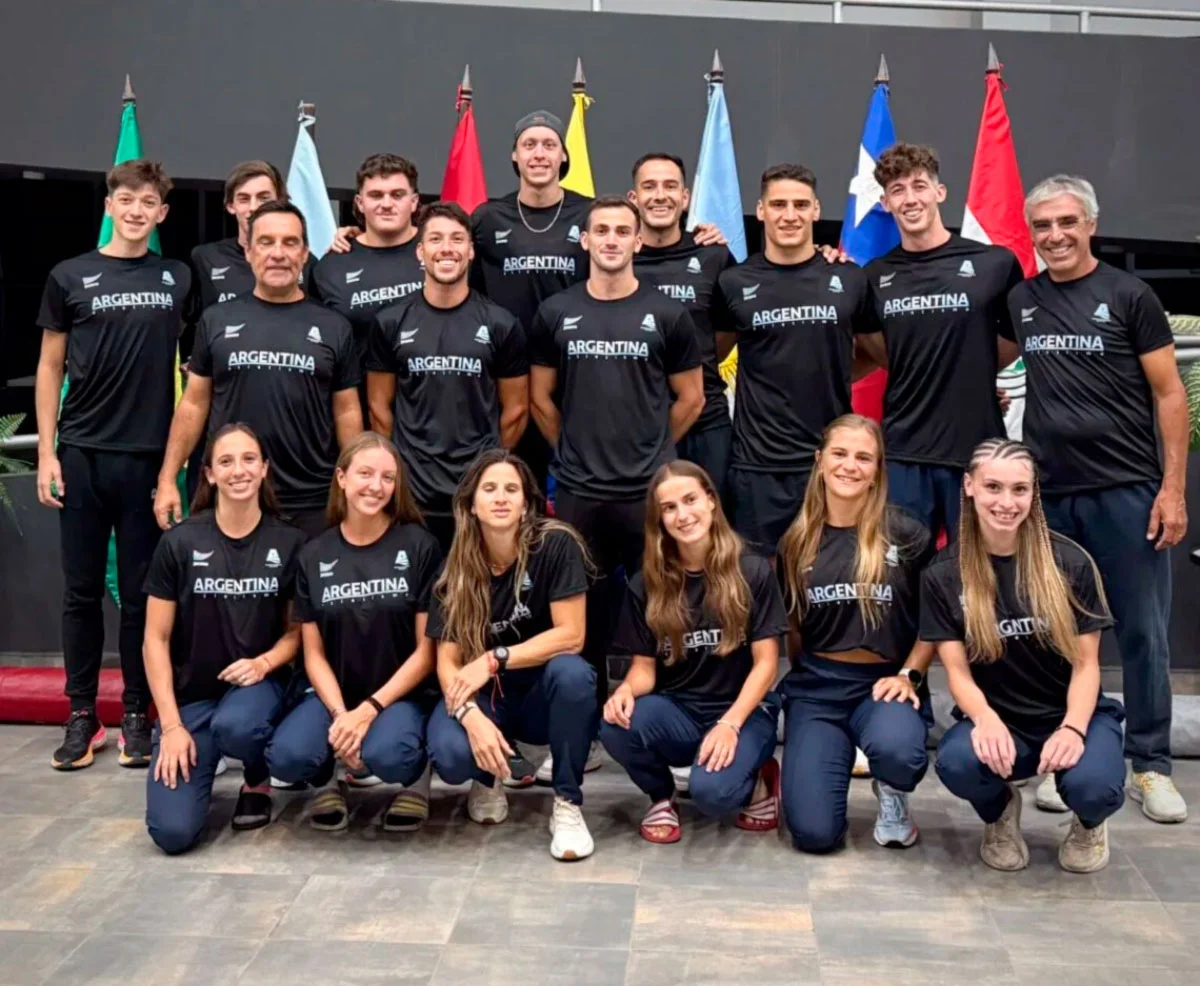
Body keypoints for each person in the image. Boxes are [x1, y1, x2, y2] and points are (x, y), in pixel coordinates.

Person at [1009, 175, 1188, 823]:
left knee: (1141, 633)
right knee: (1058, 636)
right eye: (1043, 226)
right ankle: (1063, 759)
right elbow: (981, 358)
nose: (1054, 235)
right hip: (1051, 498)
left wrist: (1172, 490)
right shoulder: (1022, 300)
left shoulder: (1129, 294)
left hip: (1128, 492)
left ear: (1090, 224)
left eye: (1066, 223)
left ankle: (1150, 766)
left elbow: (1170, 393)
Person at [529, 195, 704, 778]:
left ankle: (668, 722)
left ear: (638, 242)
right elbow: (540, 400)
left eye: (621, 231)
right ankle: (582, 731)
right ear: (584, 241)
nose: (610, 239)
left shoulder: (669, 314)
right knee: (584, 614)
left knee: (665, 601)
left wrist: (653, 456)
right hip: (580, 490)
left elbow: (691, 399)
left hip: (650, 493)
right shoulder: (556, 312)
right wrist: (573, 453)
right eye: (600, 230)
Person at [35, 160, 192, 771]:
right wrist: (48, 450)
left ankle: (135, 712)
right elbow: (50, 367)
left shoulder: (178, 278)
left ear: (161, 214)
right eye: (124, 199)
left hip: (148, 463)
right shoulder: (69, 276)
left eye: (146, 201)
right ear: (109, 205)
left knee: (139, 596)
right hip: (81, 456)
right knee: (79, 593)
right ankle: (81, 715)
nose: (134, 210)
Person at [926, 438, 1126, 873]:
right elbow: (956, 673)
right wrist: (984, 719)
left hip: (1073, 714)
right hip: (1004, 721)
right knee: (957, 762)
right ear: (969, 486)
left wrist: (1073, 728)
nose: (1006, 502)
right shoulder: (944, 574)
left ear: (1034, 493)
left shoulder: (1070, 563)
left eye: (1020, 489)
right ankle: (1000, 813)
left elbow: (1087, 664)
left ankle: (1089, 823)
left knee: (1096, 786)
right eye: (993, 487)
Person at [424, 449, 598, 860]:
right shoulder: (456, 570)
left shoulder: (556, 545)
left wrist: (493, 658)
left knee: (574, 674)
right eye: (489, 489)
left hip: (540, 693)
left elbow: (572, 636)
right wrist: (471, 718)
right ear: (471, 505)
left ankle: (568, 804)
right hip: (489, 699)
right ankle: (487, 777)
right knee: (450, 754)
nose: (500, 497)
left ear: (525, 504)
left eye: (511, 489)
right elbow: (446, 664)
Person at [264, 433, 442, 831]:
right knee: (287, 757)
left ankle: (417, 780)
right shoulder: (313, 554)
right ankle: (326, 781)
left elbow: (425, 653)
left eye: (387, 478)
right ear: (342, 478)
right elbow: (313, 654)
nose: (376, 486)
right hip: (334, 696)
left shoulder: (419, 546)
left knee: (391, 756)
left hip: (398, 696)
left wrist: (369, 710)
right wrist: (342, 715)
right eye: (365, 473)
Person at [155, 201, 363, 540]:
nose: (278, 253)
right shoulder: (216, 321)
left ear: (305, 254)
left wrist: (355, 483)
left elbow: (348, 412)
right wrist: (167, 479)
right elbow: (193, 405)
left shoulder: (335, 327)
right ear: (249, 252)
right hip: (234, 495)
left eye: (290, 242)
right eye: (266, 242)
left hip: (311, 501)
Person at [601, 461, 786, 842]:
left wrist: (730, 724)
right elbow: (644, 672)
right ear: (659, 520)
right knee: (615, 723)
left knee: (712, 795)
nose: (683, 515)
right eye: (669, 508)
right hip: (680, 710)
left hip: (744, 711)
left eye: (690, 500)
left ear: (712, 502)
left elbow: (766, 665)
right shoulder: (646, 584)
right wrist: (624, 691)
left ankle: (759, 779)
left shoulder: (752, 570)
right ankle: (660, 796)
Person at [142, 424, 306, 853]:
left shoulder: (288, 542)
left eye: (249, 459)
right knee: (172, 834)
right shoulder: (179, 543)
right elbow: (154, 641)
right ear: (210, 474)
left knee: (238, 724)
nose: (239, 471)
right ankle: (202, 748)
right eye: (227, 461)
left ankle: (256, 777)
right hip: (192, 702)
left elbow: (297, 634)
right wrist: (172, 726)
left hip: (258, 689)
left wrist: (265, 662)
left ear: (265, 469)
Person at [775, 414, 934, 852]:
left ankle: (893, 791)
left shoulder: (906, 533)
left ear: (878, 469)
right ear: (819, 461)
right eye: (840, 454)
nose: (850, 466)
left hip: (884, 684)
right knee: (813, 834)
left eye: (864, 457)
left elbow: (935, 623)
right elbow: (794, 630)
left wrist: (910, 676)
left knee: (898, 753)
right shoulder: (795, 541)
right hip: (819, 687)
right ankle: (823, 755)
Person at [857, 143, 1025, 540]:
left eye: (919, 186)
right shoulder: (874, 276)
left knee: (980, 575)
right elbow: (877, 350)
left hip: (978, 451)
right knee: (902, 577)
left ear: (940, 192)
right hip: (904, 454)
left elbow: (1013, 341)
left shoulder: (995, 264)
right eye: (898, 190)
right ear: (885, 202)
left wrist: (973, 373)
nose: (910, 198)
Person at [720, 165, 878, 555]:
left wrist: (838, 370)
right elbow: (712, 354)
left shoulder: (849, 278)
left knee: (827, 578)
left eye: (800, 205)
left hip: (831, 463)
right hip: (758, 466)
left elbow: (879, 353)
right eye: (778, 205)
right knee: (761, 583)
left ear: (816, 210)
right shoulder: (734, 283)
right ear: (760, 211)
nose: (789, 215)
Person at [367, 202, 529, 554]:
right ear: (420, 252)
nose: (447, 248)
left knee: (474, 595)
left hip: (476, 495)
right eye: (436, 239)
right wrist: (401, 470)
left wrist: (484, 470)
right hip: (414, 495)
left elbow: (516, 409)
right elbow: (379, 407)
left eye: (458, 239)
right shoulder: (391, 322)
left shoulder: (501, 324)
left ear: (471, 251)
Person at [183, 161, 316, 500]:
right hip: (225, 406)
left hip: (292, 423)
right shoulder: (204, 258)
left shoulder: (310, 263)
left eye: (263, 196)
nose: (253, 206)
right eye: (244, 198)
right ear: (230, 205)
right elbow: (189, 322)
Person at [629, 153, 738, 501]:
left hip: (707, 423)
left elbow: (725, 331)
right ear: (634, 199)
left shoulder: (713, 255)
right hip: (636, 424)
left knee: (709, 532)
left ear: (686, 197)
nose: (660, 195)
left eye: (670, 186)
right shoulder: (613, 257)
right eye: (649, 186)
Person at [311, 154, 425, 417]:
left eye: (397, 194)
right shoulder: (331, 267)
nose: (387, 204)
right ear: (360, 203)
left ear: (414, 202)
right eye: (376, 195)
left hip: (432, 410)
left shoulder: (439, 252)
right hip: (357, 413)